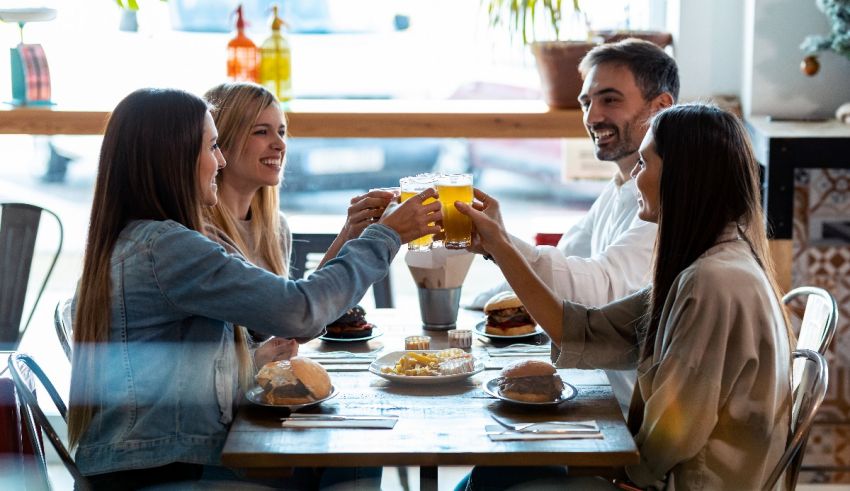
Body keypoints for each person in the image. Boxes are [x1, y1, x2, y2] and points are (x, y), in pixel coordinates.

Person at [67, 88, 441, 490]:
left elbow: (289, 316)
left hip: (155, 461)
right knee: (352, 455)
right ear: (173, 158)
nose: (221, 160)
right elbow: (299, 311)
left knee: (352, 457)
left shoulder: (145, 239)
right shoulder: (167, 248)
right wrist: (385, 236)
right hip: (161, 474)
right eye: (212, 146)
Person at [457, 103, 793, 489]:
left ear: (684, 179)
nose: (634, 177)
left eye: (644, 165)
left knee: (495, 478)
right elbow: (580, 330)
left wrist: (582, 461)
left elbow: (669, 439)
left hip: (683, 483)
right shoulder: (706, 262)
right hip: (657, 472)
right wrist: (498, 245)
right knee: (494, 471)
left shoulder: (713, 283)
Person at [469, 39, 679, 413]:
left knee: (497, 444)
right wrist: (477, 307)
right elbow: (566, 257)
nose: (592, 116)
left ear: (661, 106)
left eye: (610, 99)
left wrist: (498, 243)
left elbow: (598, 289)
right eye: (586, 102)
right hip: (599, 387)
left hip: (633, 416)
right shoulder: (620, 186)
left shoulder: (666, 202)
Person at [202, 82, 395, 362]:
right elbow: (288, 323)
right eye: (261, 132)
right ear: (222, 144)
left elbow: (297, 317)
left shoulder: (275, 228)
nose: (280, 144)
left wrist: (350, 233)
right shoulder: (202, 234)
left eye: (281, 131)